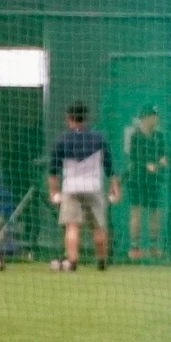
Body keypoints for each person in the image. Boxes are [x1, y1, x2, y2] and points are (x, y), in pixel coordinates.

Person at [47, 103, 118, 271]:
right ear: (86, 118)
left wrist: (53, 191)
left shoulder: (63, 140)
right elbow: (109, 166)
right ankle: (101, 261)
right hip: (93, 187)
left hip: (71, 188)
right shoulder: (98, 138)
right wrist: (114, 187)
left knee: (72, 226)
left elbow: (52, 171)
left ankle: (72, 262)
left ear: (68, 118)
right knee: (98, 227)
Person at [124, 106, 171, 260]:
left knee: (154, 213)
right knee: (136, 213)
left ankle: (153, 247)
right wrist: (146, 164)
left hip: (154, 180)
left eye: (156, 116)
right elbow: (133, 157)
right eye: (153, 115)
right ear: (145, 118)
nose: (156, 119)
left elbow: (164, 156)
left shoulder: (159, 136)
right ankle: (135, 248)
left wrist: (161, 162)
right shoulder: (135, 136)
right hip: (137, 178)